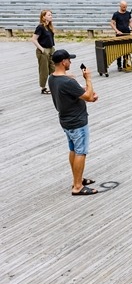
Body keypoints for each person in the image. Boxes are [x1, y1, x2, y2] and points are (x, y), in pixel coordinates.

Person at [48, 49, 99, 195]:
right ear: (63, 62)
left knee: (73, 150)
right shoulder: (67, 81)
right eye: (69, 60)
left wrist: (80, 88)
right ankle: (78, 186)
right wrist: (88, 79)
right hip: (77, 122)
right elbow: (89, 97)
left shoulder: (52, 78)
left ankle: (77, 179)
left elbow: (71, 91)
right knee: (81, 152)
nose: (70, 62)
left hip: (65, 121)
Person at [31, 9, 55, 95]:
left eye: (51, 15)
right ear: (43, 17)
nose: (51, 16)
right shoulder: (40, 27)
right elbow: (33, 39)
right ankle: (43, 88)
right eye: (49, 15)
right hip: (43, 50)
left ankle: (55, 86)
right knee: (44, 70)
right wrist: (42, 49)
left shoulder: (49, 26)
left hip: (51, 49)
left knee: (54, 69)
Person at [110, 0, 132, 71]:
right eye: (123, 7)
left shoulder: (128, 13)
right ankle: (119, 65)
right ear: (120, 6)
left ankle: (125, 64)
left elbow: (130, 22)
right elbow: (111, 23)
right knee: (119, 51)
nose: (125, 8)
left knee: (126, 50)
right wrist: (117, 31)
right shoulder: (116, 14)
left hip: (127, 33)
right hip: (119, 35)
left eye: (126, 7)